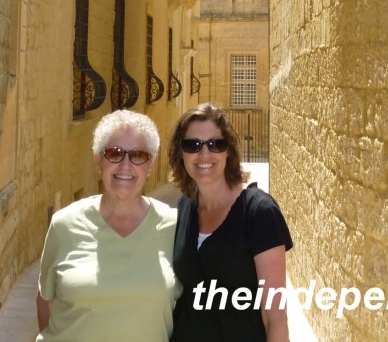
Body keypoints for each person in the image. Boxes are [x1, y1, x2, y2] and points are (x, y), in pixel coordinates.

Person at [35, 110, 180, 341]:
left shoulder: (174, 226)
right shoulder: (64, 224)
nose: (125, 165)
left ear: (150, 164)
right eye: (114, 153)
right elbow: (45, 300)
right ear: (97, 159)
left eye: (138, 155)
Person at [167, 103, 293, 342]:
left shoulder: (259, 212)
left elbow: (275, 316)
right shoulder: (185, 206)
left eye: (216, 144)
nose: (204, 154)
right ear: (180, 152)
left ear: (229, 151)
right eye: (192, 145)